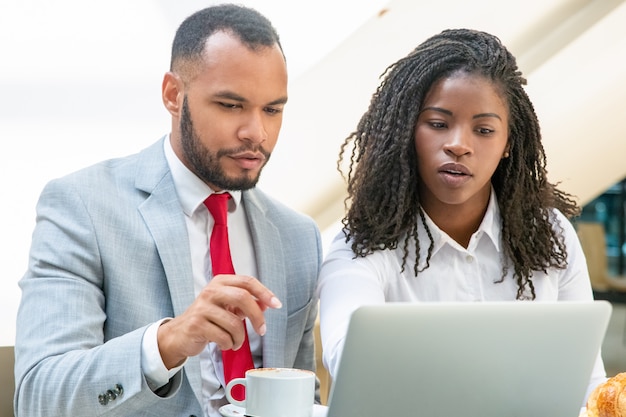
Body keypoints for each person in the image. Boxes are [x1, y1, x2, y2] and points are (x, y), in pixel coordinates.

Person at [14, 5, 322, 417]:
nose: (256, 132)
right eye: (231, 105)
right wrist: (168, 343)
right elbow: (40, 398)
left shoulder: (299, 237)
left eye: (272, 109)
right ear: (173, 95)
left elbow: (305, 401)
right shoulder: (83, 206)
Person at [317, 28, 606, 402]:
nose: (458, 145)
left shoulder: (550, 235)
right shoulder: (362, 246)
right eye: (438, 124)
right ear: (408, 130)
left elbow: (588, 383)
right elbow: (348, 361)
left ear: (507, 145)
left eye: (484, 130)